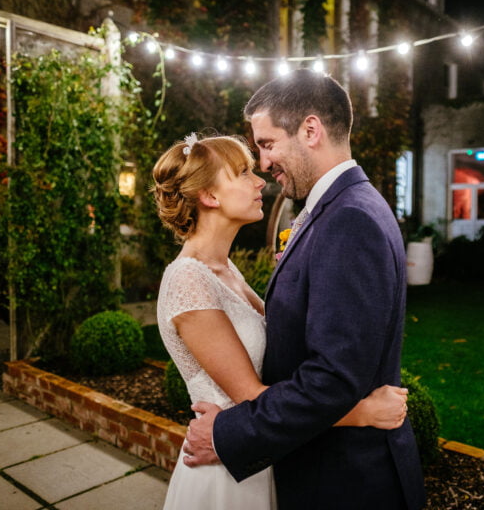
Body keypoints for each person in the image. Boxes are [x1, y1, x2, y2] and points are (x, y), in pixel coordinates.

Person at [182, 69, 426, 509]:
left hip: (346, 483)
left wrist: (226, 434)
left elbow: (332, 378)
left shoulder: (350, 219)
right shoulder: (341, 208)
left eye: (268, 143)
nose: (262, 162)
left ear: (310, 130)